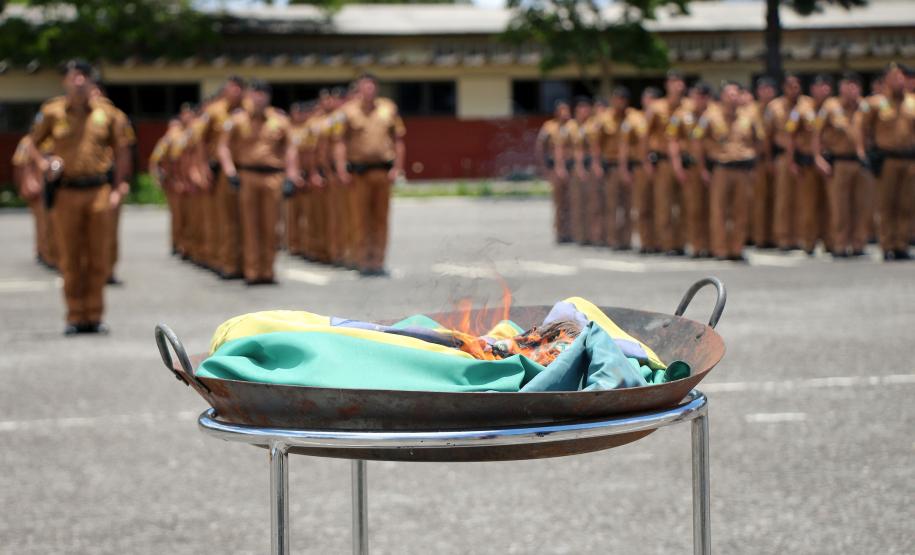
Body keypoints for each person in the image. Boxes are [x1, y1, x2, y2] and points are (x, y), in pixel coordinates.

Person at [29, 59, 132, 334]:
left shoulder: (108, 114)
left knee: (98, 255)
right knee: (70, 256)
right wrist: (44, 165)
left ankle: (95, 315)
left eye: (84, 76)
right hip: (66, 192)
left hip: (98, 189)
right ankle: (75, 316)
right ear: (64, 81)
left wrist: (118, 186)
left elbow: (122, 149)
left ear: (91, 81)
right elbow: (32, 144)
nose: (78, 81)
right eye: (73, 76)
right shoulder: (52, 112)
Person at [218, 80, 300, 284]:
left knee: (272, 226)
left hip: (273, 176)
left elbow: (290, 149)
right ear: (249, 96)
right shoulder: (237, 120)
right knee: (249, 225)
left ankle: (267, 270)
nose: (259, 97)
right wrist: (230, 171)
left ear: (269, 97)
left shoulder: (279, 120)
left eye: (263, 93)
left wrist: (291, 176)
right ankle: (252, 271)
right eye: (255, 93)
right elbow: (223, 147)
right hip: (247, 176)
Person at [333, 73, 406, 276]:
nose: (369, 91)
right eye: (365, 87)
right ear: (359, 89)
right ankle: (363, 260)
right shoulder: (347, 112)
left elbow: (398, 139)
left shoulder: (388, 109)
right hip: (359, 173)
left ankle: (379, 261)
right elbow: (340, 142)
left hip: (383, 171)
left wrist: (397, 168)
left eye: (372, 87)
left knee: (381, 219)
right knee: (360, 218)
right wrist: (341, 168)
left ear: (377, 88)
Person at [695, 81, 764, 261]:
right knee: (719, 211)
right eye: (729, 94)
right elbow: (697, 141)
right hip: (721, 168)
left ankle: (737, 248)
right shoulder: (710, 115)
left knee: (741, 211)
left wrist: (754, 161)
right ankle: (720, 249)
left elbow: (760, 140)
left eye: (736, 94)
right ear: (722, 96)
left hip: (742, 169)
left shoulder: (750, 116)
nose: (733, 97)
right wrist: (702, 168)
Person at [858, 63, 915, 261]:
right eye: (894, 77)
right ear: (886, 80)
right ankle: (887, 244)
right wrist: (863, 153)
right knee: (886, 204)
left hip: (909, 160)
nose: (899, 80)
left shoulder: (912, 103)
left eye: (901, 77)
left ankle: (902, 244)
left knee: (907, 205)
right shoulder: (876, 103)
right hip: (887, 160)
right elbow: (862, 129)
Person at [812, 72, 872, 257]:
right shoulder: (830, 106)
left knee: (861, 205)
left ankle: (858, 243)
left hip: (861, 163)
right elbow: (817, 133)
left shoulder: (866, 107)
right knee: (839, 206)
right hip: (839, 162)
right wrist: (817, 157)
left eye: (855, 86)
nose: (851, 90)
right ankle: (839, 244)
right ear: (841, 88)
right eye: (848, 85)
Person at [200, 76, 246, 278]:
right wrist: (202, 169)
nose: (235, 93)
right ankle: (226, 263)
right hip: (221, 171)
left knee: (246, 220)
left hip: (246, 170)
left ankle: (245, 263)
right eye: (232, 88)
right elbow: (201, 142)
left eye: (239, 89)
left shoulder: (250, 110)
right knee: (225, 219)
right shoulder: (214, 112)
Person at [643, 70, 690, 256]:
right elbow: (645, 136)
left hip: (685, 163)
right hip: (662, 162)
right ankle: (666, 243)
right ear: (667, 85)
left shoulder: (689, 107)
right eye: (673, 82)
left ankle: (680, 242)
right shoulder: (656, 107)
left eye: (679, 81)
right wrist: (646, 160)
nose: (677, 85)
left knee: (685, 204)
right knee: (664, 204)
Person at [767, 73, 815, 251]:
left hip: (804, 158)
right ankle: (784, 238)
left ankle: (802, 237)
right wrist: (769, 159)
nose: (793, 90)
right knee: (784, 199)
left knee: (804, 200)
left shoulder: (808, 104)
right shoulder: (774, 107)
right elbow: (768, 136)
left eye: (796, 86)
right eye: (790, 86)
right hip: (782, 157)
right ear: (784, 88)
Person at [668, 82, 712, 258]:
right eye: (697, 95)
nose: (700, 99)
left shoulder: (714, 114)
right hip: (691, 167)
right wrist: (677, 165)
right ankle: (695, 246)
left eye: (704, 95)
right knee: (692, 208)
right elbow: (672, 140)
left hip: (712, 167)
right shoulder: (681, 115)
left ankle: (712, 245)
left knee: (713, 209)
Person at [589, 87, 635, 250]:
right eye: (616, 98)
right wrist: (596, 164)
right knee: (612, 205)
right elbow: (596, 144)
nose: (619, 102)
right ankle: (612, 239)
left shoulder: (634, 117)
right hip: (612, 167)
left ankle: (627, 240)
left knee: (629, 205)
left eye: (622, 99)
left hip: (630, 167)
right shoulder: (604, 119)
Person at [536, 100, 572, 243]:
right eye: (562, 110)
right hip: (554, 169)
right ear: (556, 112)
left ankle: (571, 232)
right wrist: (544, 167)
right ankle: (560, 232)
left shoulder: (572, 126)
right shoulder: (549, 127)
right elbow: (540, 146)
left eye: (567, 110)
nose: (565, 113)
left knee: (572, 202)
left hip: (571, 168)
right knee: (559, 202)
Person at [630, 87, 660, 253]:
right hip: (642, 167)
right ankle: (645, 241)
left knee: (660, 206)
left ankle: (659, 241)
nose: (650, 103)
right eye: (647, 99)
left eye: (653, 100)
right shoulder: (637, 119)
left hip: (659, 166)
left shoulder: (662, 118)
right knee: (643, 206)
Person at [750, 77, 778, 248]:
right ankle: (760, 238)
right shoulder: (751, 111)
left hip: (776, 159)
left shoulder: (778, 109)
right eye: (763, 89)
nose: (766, 92)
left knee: (777, 200)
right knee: (759, 201)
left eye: (769, 89)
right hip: (758, 161)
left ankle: (775, 236)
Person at [569, 97, 594, 245]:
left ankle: (592, 235)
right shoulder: (571, 127)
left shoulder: (593, 125)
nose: (584, 111)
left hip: (590, 167)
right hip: (575, 168)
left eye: (586, 108)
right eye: (581, 108)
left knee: (593, 203)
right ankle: (579, 235)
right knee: (577, 203)